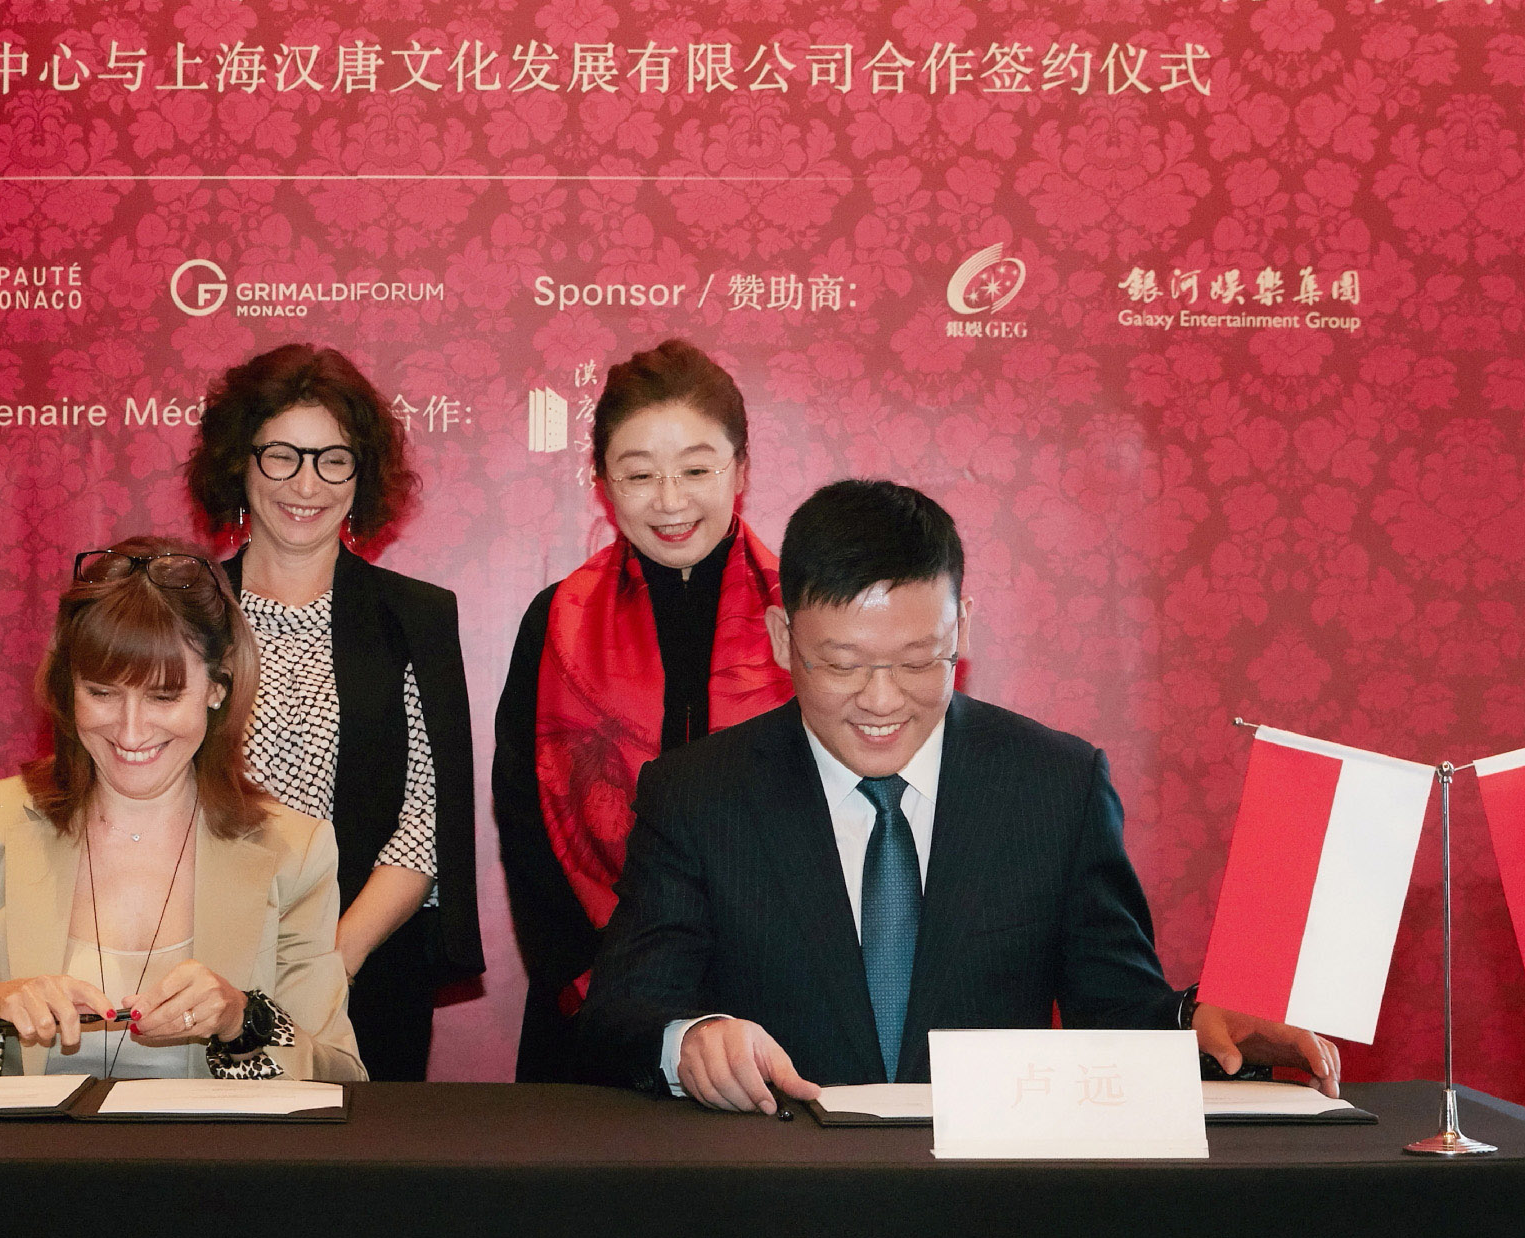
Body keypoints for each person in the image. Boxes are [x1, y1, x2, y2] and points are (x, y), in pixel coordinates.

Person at [574, 479, 1341, 1112]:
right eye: (841, 664)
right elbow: (617, 1015)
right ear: (782, 638)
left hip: (990, 1211)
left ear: (962, 629)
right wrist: (690, 1040)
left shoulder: (1055, 785)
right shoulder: (699, 795)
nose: (882, 700)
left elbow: (1116, 1009)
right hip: (780, 1204)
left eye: (918, 661)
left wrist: (1196, 1022)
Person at [0, 536, 365, 1083]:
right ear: (69, 688)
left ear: (217, 687)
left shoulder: (293, 852)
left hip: (209, 1144)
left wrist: (241, 1021)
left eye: (162, 697)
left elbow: (341, 1077)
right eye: (103, 693)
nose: (130, 732)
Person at [495, 339, 792, 1082]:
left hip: (779, 1009)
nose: (669, 500)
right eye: (638, 473)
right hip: (593, 998)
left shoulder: (805, 618)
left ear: (741, 470)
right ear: (602, 482)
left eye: (696, 469)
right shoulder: (557, 620)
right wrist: (595, 987)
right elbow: (526, 821)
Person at [184, 344, 482, 1082]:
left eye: (333, 460)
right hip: (189, 973)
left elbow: (425, 824)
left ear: (362, 474)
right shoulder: (183, 613)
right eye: (282, 455)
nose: (306, 483)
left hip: (364, 975)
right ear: (240, 463)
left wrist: (329, 961)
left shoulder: (414, 618)